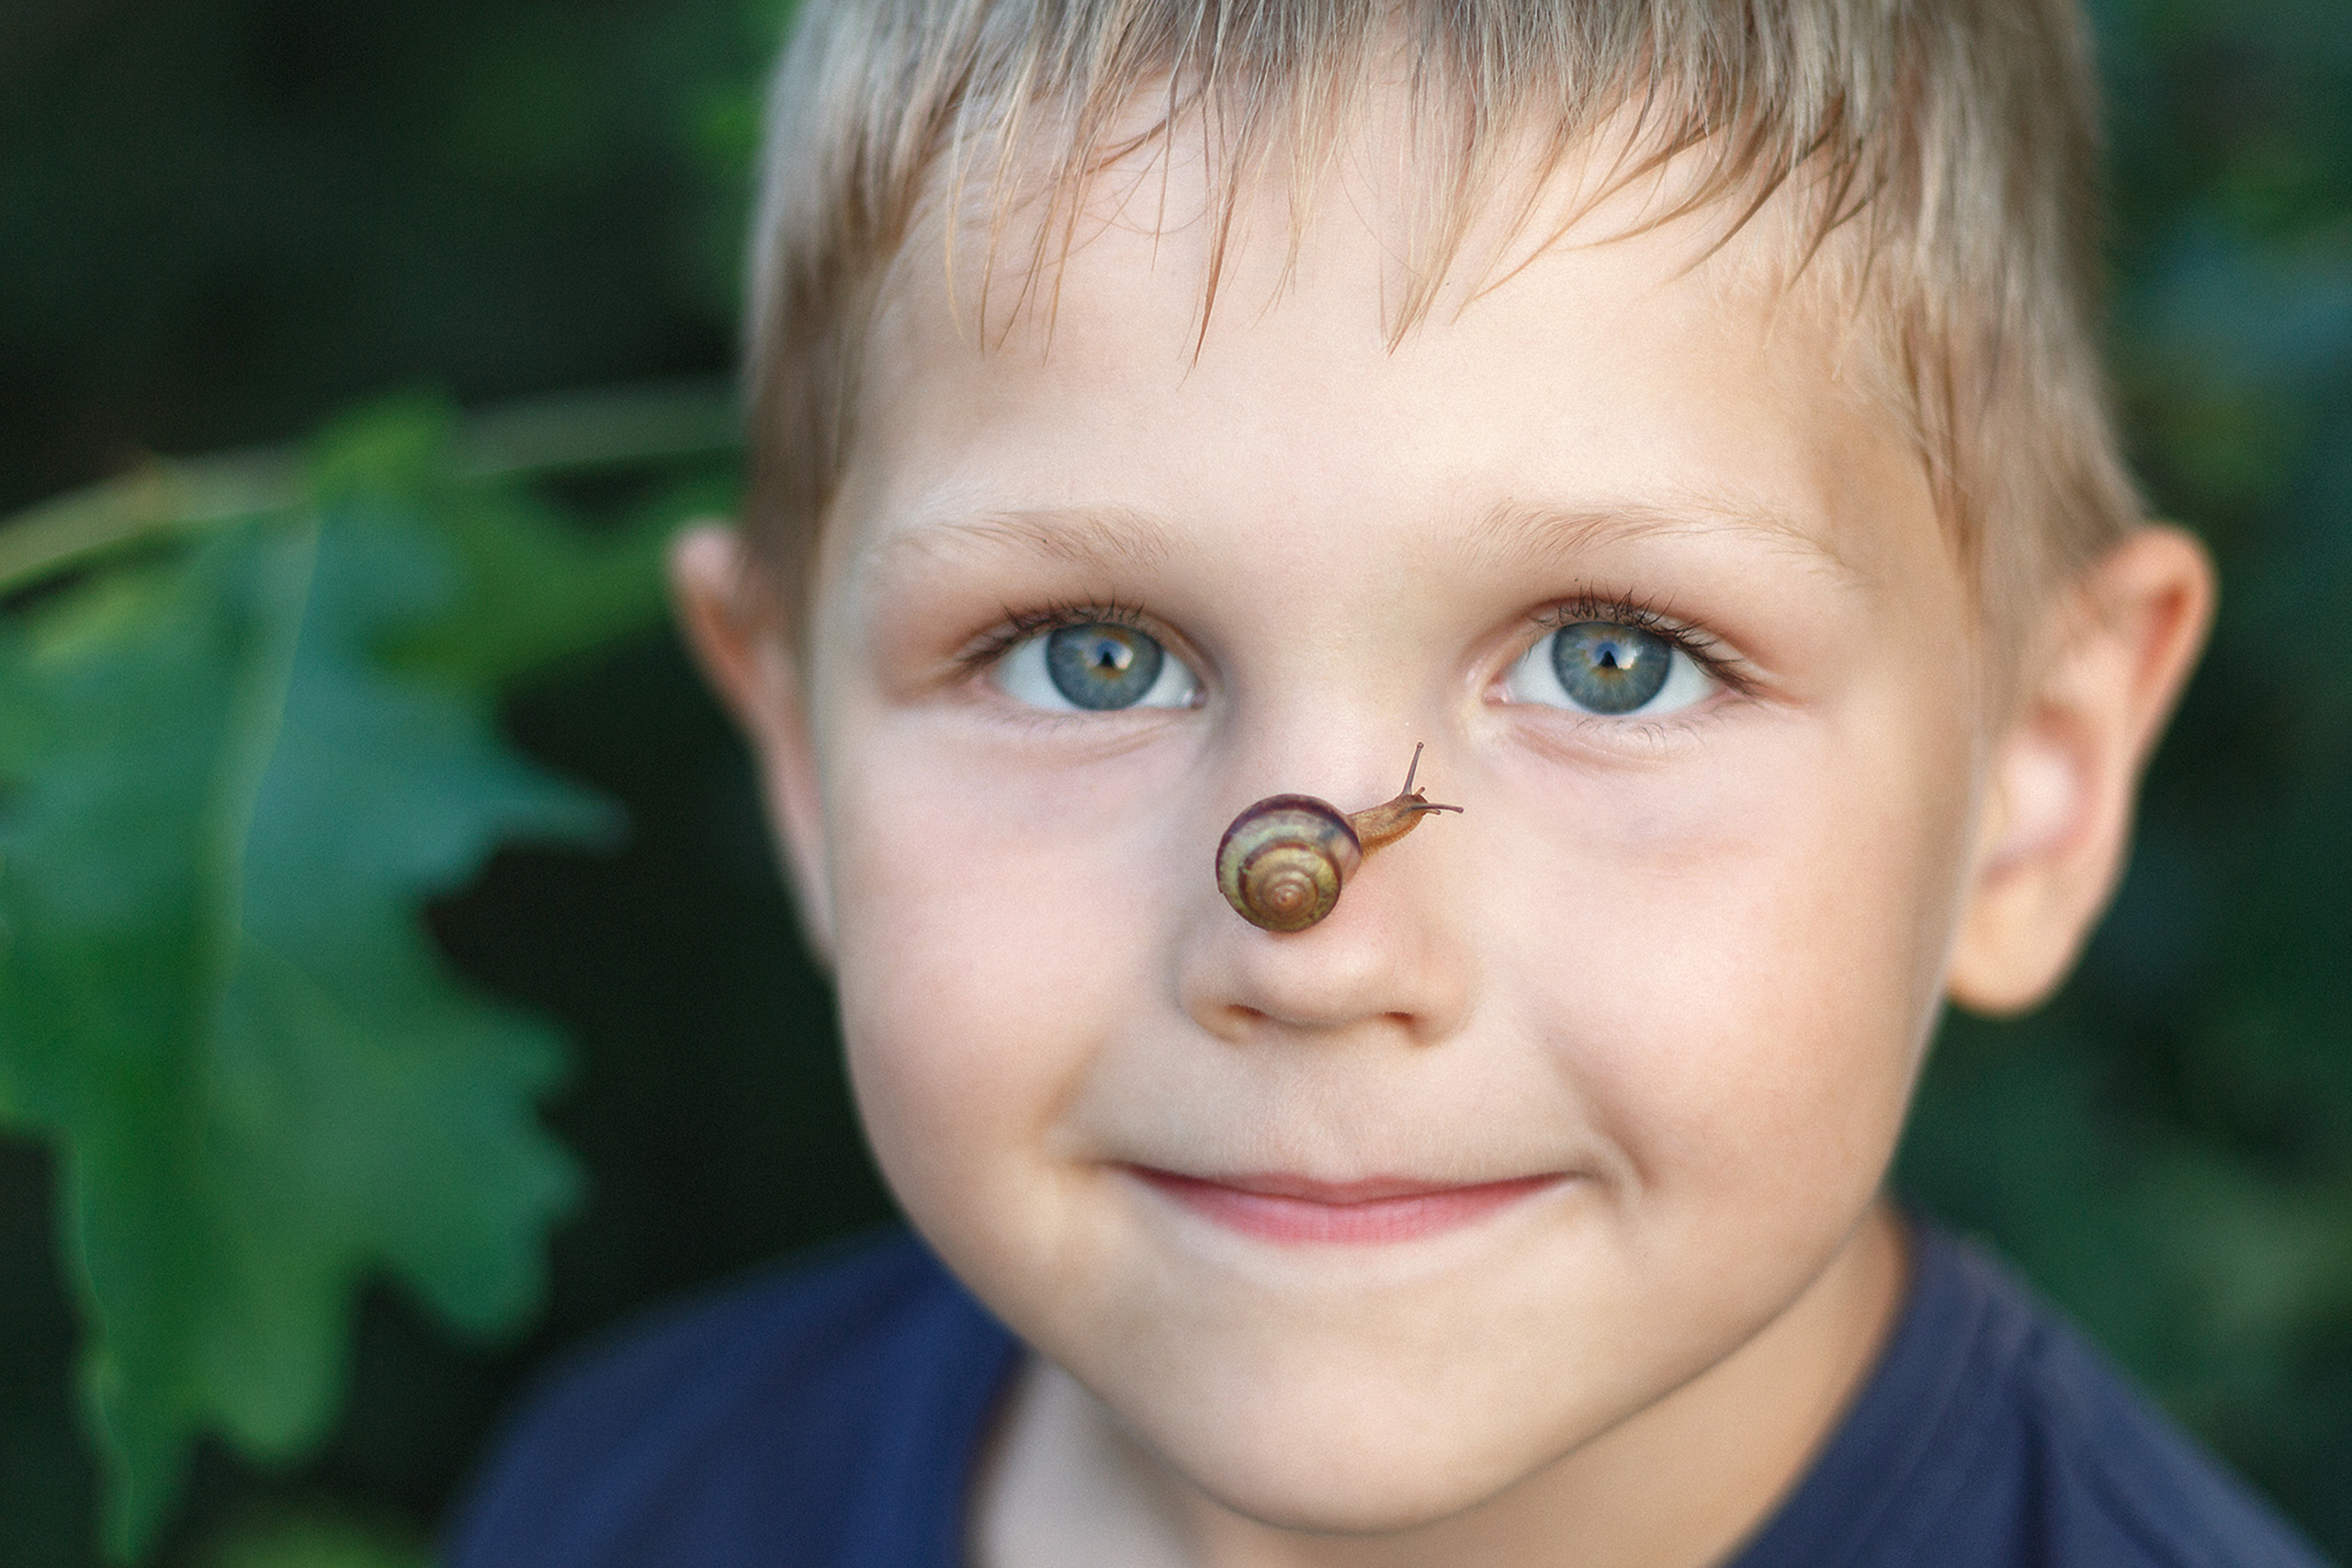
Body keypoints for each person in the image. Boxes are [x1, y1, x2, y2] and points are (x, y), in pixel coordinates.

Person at [448, 1, 2331, 1563]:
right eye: (1087, 655)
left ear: (2032, 779)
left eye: (1617, 660)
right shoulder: (628, 1498)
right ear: (799, 751)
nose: (1323, 959)